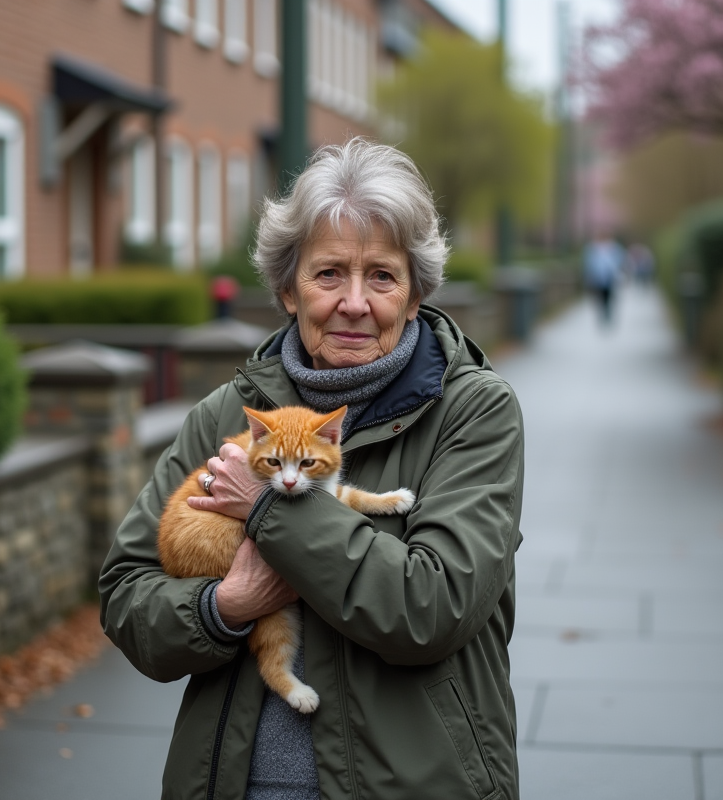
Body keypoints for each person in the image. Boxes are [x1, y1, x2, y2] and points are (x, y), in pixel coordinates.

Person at [99, 139, 525, 800]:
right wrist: (224, 607)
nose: (354, 302)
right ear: (288, 290)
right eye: (329, 274)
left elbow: (431, 608)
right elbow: (128, 595)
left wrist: (270, 513)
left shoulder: (474, 412)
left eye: (382, 276)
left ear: (415, 296)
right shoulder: (225, 416)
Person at [583, 234, 625, 326]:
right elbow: (588, 264)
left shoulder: (614, 248)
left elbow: (620, 260)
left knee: (608, 296)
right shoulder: (592, 249)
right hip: (597, 278)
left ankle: (607, 313)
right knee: (600, 297)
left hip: (610, 277)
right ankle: (603, 313)